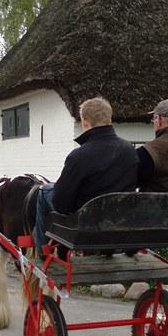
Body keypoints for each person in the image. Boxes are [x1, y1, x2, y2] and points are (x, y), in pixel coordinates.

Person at [33, 96, 138, 257]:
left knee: (43, 191)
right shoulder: (130, 151)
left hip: (85, 226)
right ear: (109, 119)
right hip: (118, 222)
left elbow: (61, 204)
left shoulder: (79, 156)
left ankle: (41, 251)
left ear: (85, 122)